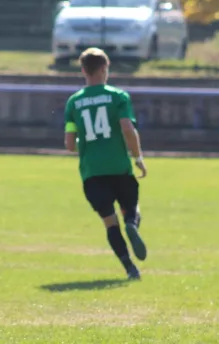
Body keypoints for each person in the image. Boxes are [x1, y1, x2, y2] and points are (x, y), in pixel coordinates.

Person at [63, 47, 147, 280]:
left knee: (110, 223)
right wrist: (138, 157)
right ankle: (132, 223)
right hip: (119, 167)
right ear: (104, 69)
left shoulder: (74, 102)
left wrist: (90, 143)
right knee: (132, 209)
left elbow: (70, 144)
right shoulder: (118, 97)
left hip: (92, 173)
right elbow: (127, 128)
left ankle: (130, 268)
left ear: (83, 70)